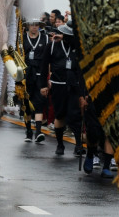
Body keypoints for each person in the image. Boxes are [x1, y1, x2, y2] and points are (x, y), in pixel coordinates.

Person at [39, 24, 86, 156]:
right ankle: (60, 144)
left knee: (75, 115)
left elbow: (82, 72)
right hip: (58, 85)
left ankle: (78, 145)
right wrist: (43, 85)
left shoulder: (78, 48)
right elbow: (44, 67)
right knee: (60, 115)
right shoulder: (52, 46)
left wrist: (82, 92)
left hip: (73, 86)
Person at [23, 19, 49, 143]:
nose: (34, 27)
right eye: (32, 25)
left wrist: (49, 75)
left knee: (39, 103)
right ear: (28, 26)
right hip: (26, 74)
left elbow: (48, 58)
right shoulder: (22, 38)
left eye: (37, 25)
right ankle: (28, 131)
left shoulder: (45, 38)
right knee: (26, 104)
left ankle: (38, 131)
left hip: (40, 73)